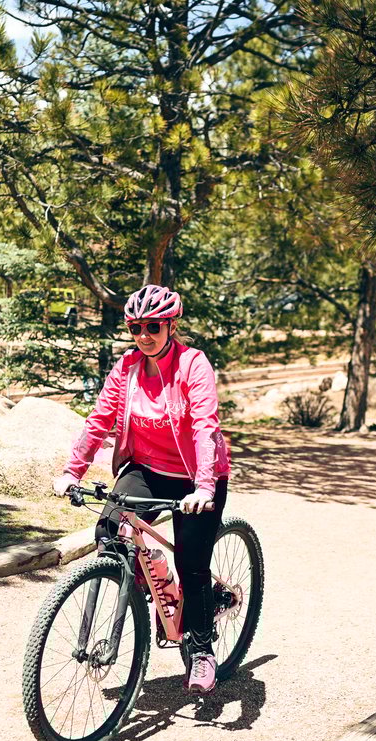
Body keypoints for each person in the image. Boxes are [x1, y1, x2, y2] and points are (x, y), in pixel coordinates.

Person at [53, 284, 231, 694]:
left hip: (196, 476)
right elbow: (98, 419)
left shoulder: (193, 365)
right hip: (147, 468)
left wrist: (204, 487)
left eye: (153, 326)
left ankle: (202, 649)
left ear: (170, 325)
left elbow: (206, 426)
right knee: (108, 531)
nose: (144, 335)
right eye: (136, 327)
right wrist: (71, 471)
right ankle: (150, 579)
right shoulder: (127, 368)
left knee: (192, 564)